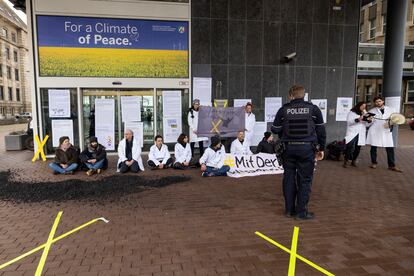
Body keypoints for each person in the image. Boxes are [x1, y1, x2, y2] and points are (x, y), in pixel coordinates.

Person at [271, 85, 326, 220]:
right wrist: (322, 148)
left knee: (289, 178)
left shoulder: (283, 110)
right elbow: (321, 131)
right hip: (307, 149)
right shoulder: (313, 109)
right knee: (305, 180)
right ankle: (302, 212)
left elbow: (275, 130)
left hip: (287, 149)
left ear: (291, 96)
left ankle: (289, 210)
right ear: (304, 95)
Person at [366, 96, 402, 172]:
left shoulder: (391, 110)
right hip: (375, 131)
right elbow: (367, 124)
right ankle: (374, 163)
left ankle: (391, 165)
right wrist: (369, 121)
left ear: (383, 101)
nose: (378, 103)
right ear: (374, 103)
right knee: (373, 147)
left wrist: (392, 123)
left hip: (386, 131)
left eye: (379, 101)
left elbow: (395, 120)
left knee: (390, 148)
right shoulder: (371, 111)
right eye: (376, 102)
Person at [343, 102, 370, 168]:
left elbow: (367, 125)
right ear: (358, 106)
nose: (363, 107)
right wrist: (358, 119)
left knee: (358, 148)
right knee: (350, 147)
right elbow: (349, 122)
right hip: (352, 132)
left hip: (361, 133)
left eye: (365, 106)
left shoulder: (365, 114)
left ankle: (353, 161)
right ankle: (346, 161)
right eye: (362, 106)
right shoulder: (352, 112)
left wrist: (369, 121)